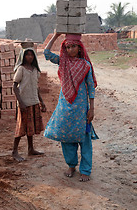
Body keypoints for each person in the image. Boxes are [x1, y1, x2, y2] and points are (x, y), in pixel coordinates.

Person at [43, 32, 98, 182]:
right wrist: (55, 35)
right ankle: (71, 165)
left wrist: (91, 108)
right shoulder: (63, 62)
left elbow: (91, 88)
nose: (70, 50)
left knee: (84, 139)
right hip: (65, 106)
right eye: (67, 47)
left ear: (80, 48)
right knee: (66, 138)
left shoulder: (86, 66)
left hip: (81, 108)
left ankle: (85, 169)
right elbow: (46, 53)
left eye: (73, 46)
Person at [12, 48, 46, 162]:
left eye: (32, 55)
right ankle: (14, 151)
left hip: (34, 101)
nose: (30, 57)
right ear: (23, 57)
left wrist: (42, 102)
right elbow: (14, 86)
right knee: (21, 128)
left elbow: (36, 88)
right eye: (27, 55)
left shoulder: (35, 70)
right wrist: (20, 102)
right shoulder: (21, 69)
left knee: (31, 127)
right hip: (24, 103)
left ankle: (31, 149)